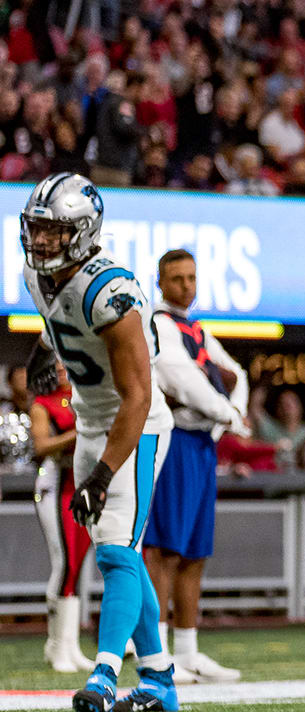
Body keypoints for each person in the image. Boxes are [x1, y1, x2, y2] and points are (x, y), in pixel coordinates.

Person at [20, 172, 177, 712]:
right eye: (37, 228)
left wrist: (103, 473)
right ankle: (159, 680)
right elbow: (56, 320)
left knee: (113, 551)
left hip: (138, 424)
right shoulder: (39, 275)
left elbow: (138, 397)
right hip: (90, 422)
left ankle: (106, 674)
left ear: (84, 232)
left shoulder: (111, 292)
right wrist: (43, 353)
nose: (41, 241)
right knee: (122, 551)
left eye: (54, 231)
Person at [144, 248, 250, 683]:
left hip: (202, 442)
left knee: (194, 550)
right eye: (177, 278)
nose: (186, 286)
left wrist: (229, 416)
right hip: (173, 441)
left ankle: (187, 651)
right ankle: (157, 653)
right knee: (164, 549)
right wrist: (230, 415)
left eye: (191, 277)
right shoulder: (158, 324)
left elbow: (237, 373)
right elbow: (183, 380)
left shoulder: (198, 328)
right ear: (161, 282)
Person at [29, 358, 95, 673]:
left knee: (77, 564)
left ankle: (70, 644)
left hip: (81, 483)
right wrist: (80, 433)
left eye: (65, 364)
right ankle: (56, 644)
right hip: (56, 482)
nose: (61, 370)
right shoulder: (42, 404)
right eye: (54, 366)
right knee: (64, 562)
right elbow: (41, 446)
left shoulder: (86, 396)